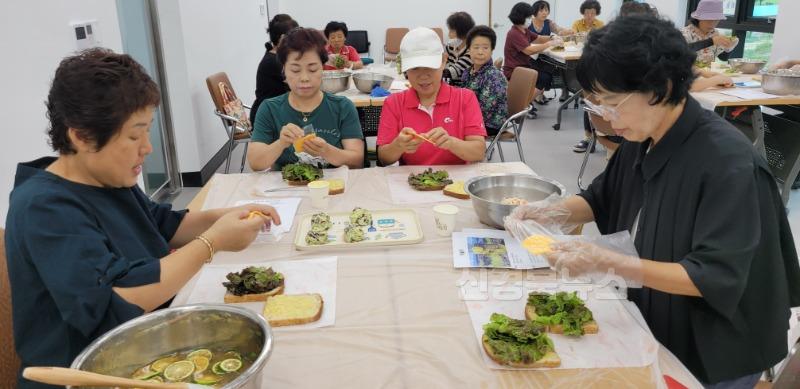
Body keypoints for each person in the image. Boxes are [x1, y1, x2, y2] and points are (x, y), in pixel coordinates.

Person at [507, 15, 800, 388]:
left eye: (612, 102)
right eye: (599, 103)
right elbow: (601, 197)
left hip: (717, 343)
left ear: (659, 88)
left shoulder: (727, 164)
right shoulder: (643, 135)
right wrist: (548, 210)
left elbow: (713, 276)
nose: (607, 119)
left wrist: (612, 263)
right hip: (658, 314)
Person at [5, 48, 281, 389]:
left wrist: (227, 215)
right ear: (82, 137)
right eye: (135, 135)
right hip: (84, 375)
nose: (147, 148)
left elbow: (165, 226)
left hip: (146, 355)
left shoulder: (106, 176)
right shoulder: (45, 208)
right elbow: (117, 300)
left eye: (147, 132)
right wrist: (212, 243)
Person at [249, 27, 365, 171]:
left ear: (323, 69)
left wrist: (327, 151)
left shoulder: (342, 106)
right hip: (286, 190)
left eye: (312, 69)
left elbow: (357, 160)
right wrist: (281, 143)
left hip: (332, 189)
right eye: (295, 70)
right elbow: (255, 163)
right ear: (284, 70)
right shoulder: (269, 109)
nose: (304, 78)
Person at [377, 27, 487, 166]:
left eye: (430, 67)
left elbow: (479, 152)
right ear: (405, 68)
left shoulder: (464, 98)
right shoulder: (394, 102)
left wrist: (451, 143)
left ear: (443, 61)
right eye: (415, 68)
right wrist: (398, 146)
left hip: (456, 182)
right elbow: (384, 158)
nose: (423, 75)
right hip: (411, 181)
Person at [502, 2, 562, 118]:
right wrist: (550, 43)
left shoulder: (524, 31)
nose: (530, 19)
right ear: (521, 17)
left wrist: (552, 37)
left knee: (546, 76)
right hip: (515, 71)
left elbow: (538, 38)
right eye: (528, 17)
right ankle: (522, 105)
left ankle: (525, 102)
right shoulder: (514, 33)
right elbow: (529, 50)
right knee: (544, 77)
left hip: (524, 68)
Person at [251, 14, 298, 125]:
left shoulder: (277, 55)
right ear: (282, 38)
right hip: (268, 118)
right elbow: (297, 85)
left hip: (276, 110)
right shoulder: (274, 61)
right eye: (295, 37)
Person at [461, 25, 508, 137]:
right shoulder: (468, 71)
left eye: (485, 48)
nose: (480, 52)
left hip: (490, 124)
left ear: (492, 50)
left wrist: (457, 117)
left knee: (448, 126)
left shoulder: (494, 76)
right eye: (476, 47)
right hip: (474, 117)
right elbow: (462, 96)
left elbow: (484, 112)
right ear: (469, 50)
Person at [528, 0, 574, 105]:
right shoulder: (528, 24)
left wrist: (567, 31)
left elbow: (560, 31)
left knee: (548, 71)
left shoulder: (549, 23)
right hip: (530, 56)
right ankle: (529, 99)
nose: (544, 12)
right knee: (538, 75)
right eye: (541, 10)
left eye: (546, 10)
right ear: (535, 11)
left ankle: (538, 95)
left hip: (544, 57)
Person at [681, 0, 738, 66]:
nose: (712, 25)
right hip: (689, 74)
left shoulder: (714, 33)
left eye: (716, 21)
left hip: (709, 74)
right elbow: (683, 51)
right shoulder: (685, 33)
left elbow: (723, 58)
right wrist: (712, 41)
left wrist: (729, 48)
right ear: (699, 18)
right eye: (709, 21)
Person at [443, 11, 476, 86]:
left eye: (451, 31)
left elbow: (451, 72)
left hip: (462, 90)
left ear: (462, 32)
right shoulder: (451, 48)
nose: (448, 35)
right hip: (450, 85)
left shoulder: (471, 53)